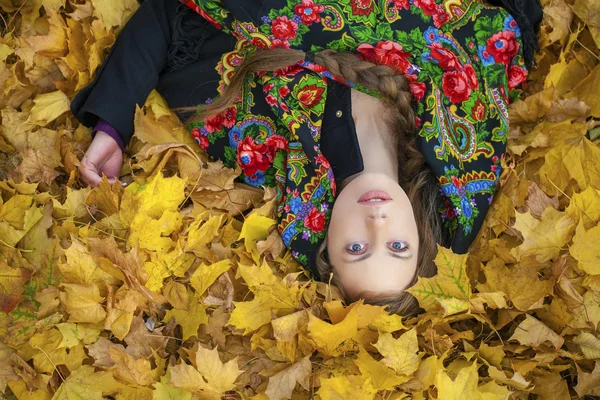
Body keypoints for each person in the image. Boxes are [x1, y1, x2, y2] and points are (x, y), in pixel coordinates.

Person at [71, 0, 542, 314]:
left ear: (324, 246)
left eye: (356, 249)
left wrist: (114, 124)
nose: (377, 222)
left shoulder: (255, 142)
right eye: (398, 246)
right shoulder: (463, 129)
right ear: (419, 233)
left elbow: (170, 17)